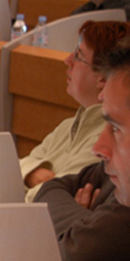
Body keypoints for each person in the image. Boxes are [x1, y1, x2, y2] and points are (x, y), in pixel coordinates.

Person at [34, 42, 130, 260]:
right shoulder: (115, 177)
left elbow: (80, 249)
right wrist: (85, 222)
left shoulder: (117, 228)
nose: (98, 148)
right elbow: (50, 187)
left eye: (115, 128)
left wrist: (87, 228)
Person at [20, 21, 130, 202]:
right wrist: (35, 175)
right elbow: (14, 166)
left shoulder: (106, 141)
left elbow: (46, 202)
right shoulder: (67, 126)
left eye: (78, 56)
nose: (68, 60)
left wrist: (33, 180)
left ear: (103, 77)